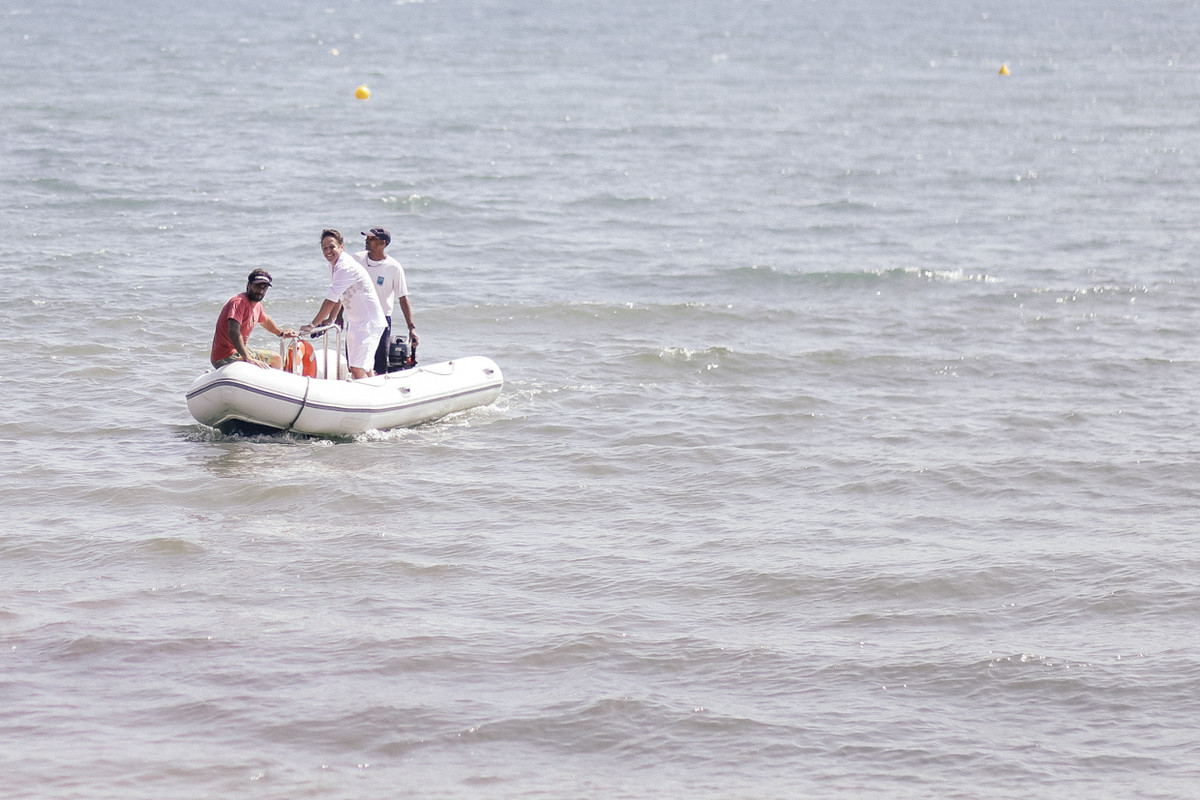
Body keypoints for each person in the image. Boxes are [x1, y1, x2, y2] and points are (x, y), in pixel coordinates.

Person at [303, 228, 387, 380]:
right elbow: (339, 295)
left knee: (357, 368)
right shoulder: (334, 265)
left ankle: (367, 394)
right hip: (356, 322)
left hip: (369, 323)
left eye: (332, 247)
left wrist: (312, 325)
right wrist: (330, 319)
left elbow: (330, 300)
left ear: (342, 246)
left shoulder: (345, 267)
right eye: (324, 248)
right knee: (365, 368)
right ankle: (375, 390)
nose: (328, 251)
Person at [352, 226, 419, 374]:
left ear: (382, 243)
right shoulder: (356, 259)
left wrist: (411, 328)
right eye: (367, 237)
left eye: (371, 238)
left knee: (379, 365)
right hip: (357, 318)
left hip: (380, 320)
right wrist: (337, 317)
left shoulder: (394, 267)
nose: (366, 240)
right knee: (355, 363)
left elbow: (403, 298)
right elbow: (346, 289)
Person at [210, 269, 296, 369]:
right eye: (257, 286)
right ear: (248, 285)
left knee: (276, 358)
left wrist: (281, 333)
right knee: (274, 359)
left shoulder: (257, 306)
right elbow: (233, 331)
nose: (261, 291)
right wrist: (247, 358)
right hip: (226, 356)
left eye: (264, 288)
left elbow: (265, 321)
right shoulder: (239, 302)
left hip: (238, 352)